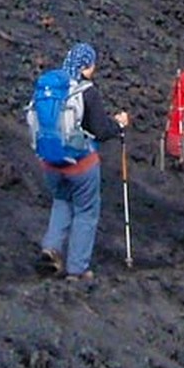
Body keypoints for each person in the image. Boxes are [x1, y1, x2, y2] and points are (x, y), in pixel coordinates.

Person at [29, 43, 128, 284]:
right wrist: (119, 124)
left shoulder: (50, 87)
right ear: (85, 66)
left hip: (50, 162)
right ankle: (78, 269)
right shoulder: (86, 91)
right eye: (93, 64)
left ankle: (51, 249)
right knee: (85, 211)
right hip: (81, 164)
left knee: (62, 202)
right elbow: (101, 130)